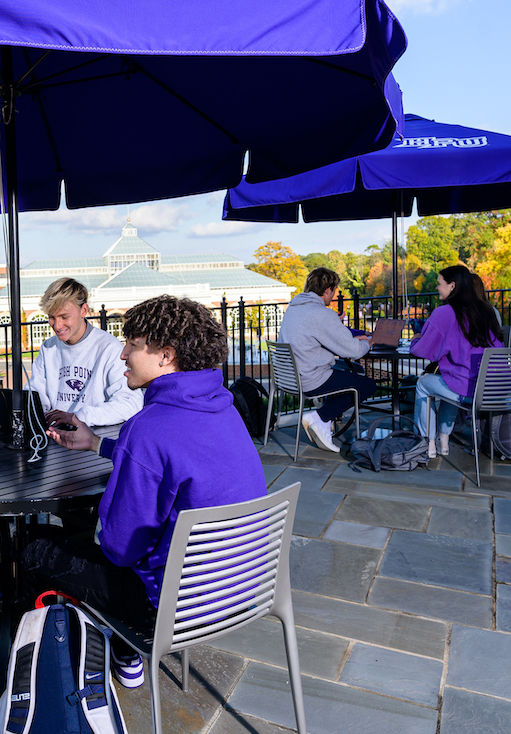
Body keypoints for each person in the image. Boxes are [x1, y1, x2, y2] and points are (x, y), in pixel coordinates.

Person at [21, 295, 265, 688]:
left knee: (34, 551)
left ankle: (60, 681)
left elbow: (119, 548)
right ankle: (119, 648)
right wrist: (98, 444)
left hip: (173, 609)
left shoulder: (147, 427)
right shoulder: (224, 408)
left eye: (133, 344)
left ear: (166, 355)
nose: (122, 353)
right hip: (242, 591)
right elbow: (177, 462)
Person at [276, 268, 375, 452]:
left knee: (351, 372)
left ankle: (325, 420)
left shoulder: (294, 308)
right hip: (310, 379)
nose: (335, 294)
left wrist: (347, 336)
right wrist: (368, 343)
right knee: (368, 385)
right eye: (335, 290)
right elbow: (353, 351)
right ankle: (320, 417)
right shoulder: (321, 314)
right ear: (328, 289)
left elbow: (317, 338)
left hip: (289, 377)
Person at [410, 265, 504, 458]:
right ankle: (443, 440)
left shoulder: (445, 313)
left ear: (452, 286)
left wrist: (415, 339)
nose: (437, 288)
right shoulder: (488, 310)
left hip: (470, 391)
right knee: (451, 379)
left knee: (423, 384)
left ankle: (427, 442)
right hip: (495, 389)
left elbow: (425, 350)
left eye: (439, 283)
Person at [26, 278, 142, 428]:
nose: (57, 325)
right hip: (55, 435)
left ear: (84, 310)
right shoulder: (48, 347)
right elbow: (36, 393)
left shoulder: (109, 347)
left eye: (64, 317)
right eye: (51, 317)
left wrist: (77, 417)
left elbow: (130, 403)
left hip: (92, 437)